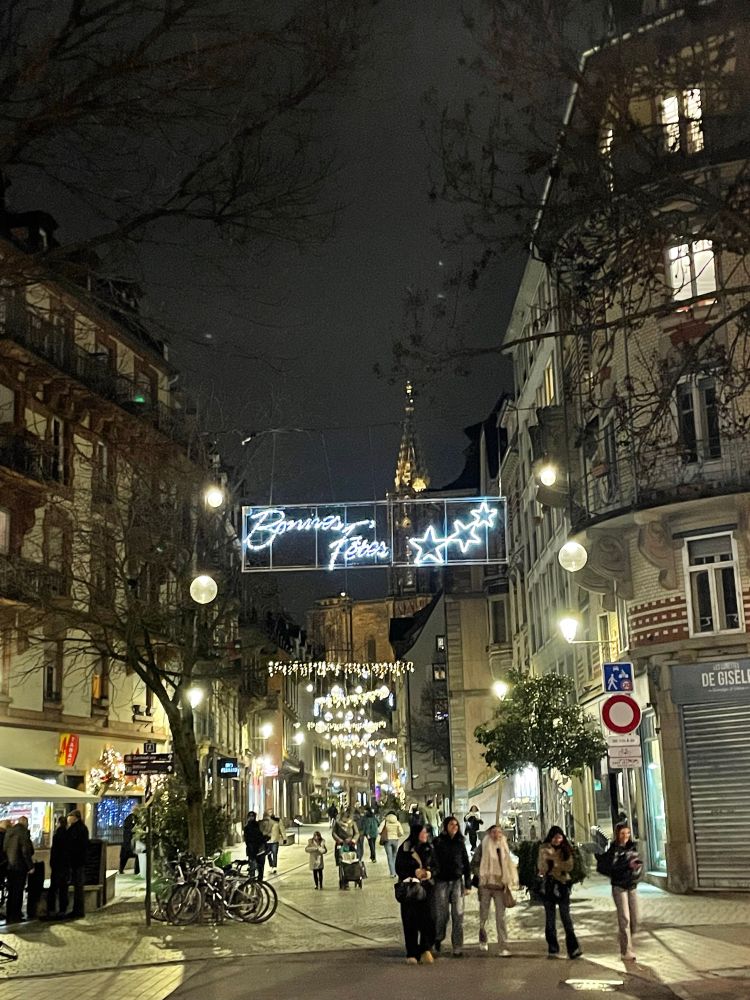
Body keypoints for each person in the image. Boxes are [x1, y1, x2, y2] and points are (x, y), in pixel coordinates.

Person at [599, 821, 643, 960]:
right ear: (617, 834)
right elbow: (612, 868)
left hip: (632, 885)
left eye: (628, 833)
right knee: (625, 919)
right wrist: (626, 864)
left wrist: (637, 867)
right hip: (619, 886)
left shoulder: (632, 847)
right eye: (622, 833)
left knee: (635, 919)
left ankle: (623, 938)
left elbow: (638, 863)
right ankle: (626, 951)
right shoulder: (614, 849)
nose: (626, 836)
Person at [537, 825, 582, 959]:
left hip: (562, 886)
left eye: (560, 837)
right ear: (551, 838)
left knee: (566, 917)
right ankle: (552, 947)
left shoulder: (565, 849)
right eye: (555, 837)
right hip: (549, 886)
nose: (557, 840)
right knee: (550, 919)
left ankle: (573, 948)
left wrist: (554, 861)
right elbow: (542, 867)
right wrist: (553, 863)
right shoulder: (543, 849)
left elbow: (569, 866)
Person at [395, 823, 437, 965]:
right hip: (410, 890)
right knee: (410, 921)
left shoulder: (430, 848)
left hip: (427, 889)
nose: (425, 835)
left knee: (428, 919)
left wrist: (430, 872)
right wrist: (414, 872)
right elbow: (399, 867)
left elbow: (437, 865)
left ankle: (425, 948)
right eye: (423, 832)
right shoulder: (405, 848)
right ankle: (412, 952)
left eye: (426, 832)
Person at [472, 825, 516, 957]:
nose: (496, 834)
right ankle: (483, 937)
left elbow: (509, 863)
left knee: (500, 918)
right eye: (494, 832)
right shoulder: (484, 845)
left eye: (499, 832)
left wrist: (508, 878)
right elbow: (474, 863)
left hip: (500, 886)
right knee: (484, 915)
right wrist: (481, 875)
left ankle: (503, 945)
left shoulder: (504, 845)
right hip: (485, 885)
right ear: (489, 833)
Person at [432, 816, 472, 957]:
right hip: (441, 882)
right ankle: (438, 938)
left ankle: (457, 946)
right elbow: (432, 860)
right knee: (441, 915)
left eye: (456, 824)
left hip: (456, 882)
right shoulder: (438, 842)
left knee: (458, 915)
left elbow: (466, 863)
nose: (454, 826)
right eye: (451, 824)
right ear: (445, 826)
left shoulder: (460, 842)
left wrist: (468, 883)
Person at [4, 816, 34, 924]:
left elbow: (4, 848)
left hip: (10, 866)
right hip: (20, 867)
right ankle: (16, 916)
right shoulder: (23, 832)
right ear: (25, 823)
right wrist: (30, 866)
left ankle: (9, 915)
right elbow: (26, 851)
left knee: (11, 891)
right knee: (18, 892)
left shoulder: (9, 832)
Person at [66, 809, 90, 919]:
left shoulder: (77, 829)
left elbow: (73, 845)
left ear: (75, 817)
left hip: (77, 862)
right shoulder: (81, 828)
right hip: (78, 861)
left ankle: (78, 910)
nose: (68, 818)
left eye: (70, 816)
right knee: (78, 886)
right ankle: (78, 910)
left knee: (78, 887)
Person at [47, 815, 70, 918]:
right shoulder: (68, 835)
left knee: (53, 888)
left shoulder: (56, 836)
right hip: (65, 865)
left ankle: (51, 909)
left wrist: (52, 863)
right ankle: (62, 910)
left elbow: (54, 852)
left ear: (59, 823)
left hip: (57, 865)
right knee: (63, 889)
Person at [332, 811, 359, 885]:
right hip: (340, 844)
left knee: (352, 861)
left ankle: (353, 876)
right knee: (341, 862)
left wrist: (353, 840)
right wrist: (338, 839)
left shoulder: (352, 823)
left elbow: (356, 833)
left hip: (350, 845)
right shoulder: (337, 824)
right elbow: (334, 833)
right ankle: (343, 878)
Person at [377, 809, 405, 878]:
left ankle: (392, 873)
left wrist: (382, 834)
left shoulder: (385, 822)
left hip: (387, 840)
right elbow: (401, 832)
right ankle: (395, 871)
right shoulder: (397, 822)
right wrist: (397, 835)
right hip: (395, 840)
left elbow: (379, 830)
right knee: (394, 856)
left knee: (389, 857)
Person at [243, 811, 269, 881]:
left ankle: (260, 880)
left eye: (252, 816)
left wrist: (264, 839)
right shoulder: (246, 828)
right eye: (250, 816)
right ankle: (252, 881)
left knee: (260, 867)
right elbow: (247, 840)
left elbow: (261, 836)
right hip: (252, 850)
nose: (251, 818)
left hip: (260, 849)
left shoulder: (258, 826)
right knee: (252, 867)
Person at [118, 809, 140, 876]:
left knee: (136, 856)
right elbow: (129, 829)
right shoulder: (131, 818)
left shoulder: (134, 818)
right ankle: (123, 870)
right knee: (126, 856)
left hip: (131, 841)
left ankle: (136, 871)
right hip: (129, 841)